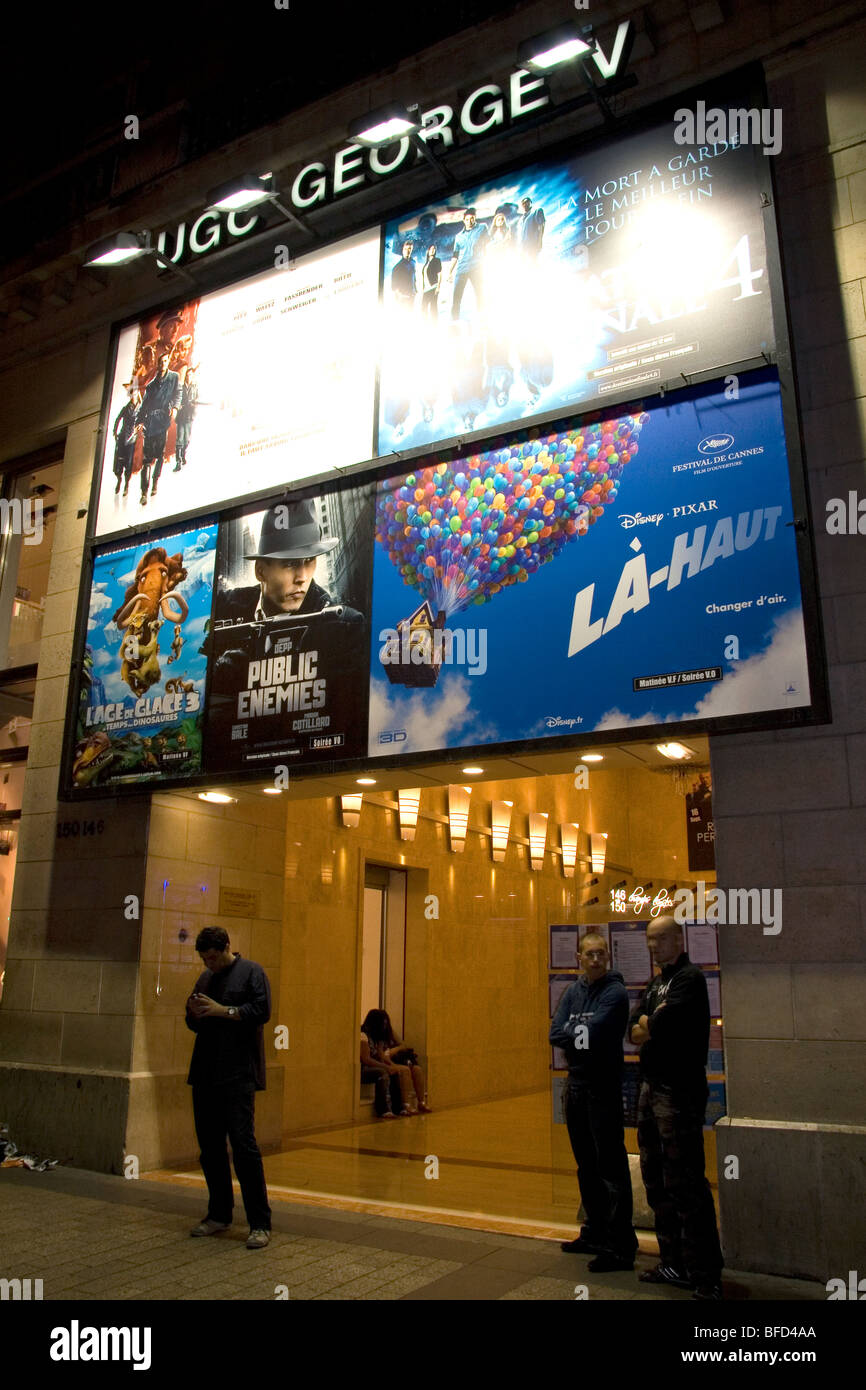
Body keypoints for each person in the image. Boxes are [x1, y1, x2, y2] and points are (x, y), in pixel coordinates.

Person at [628, 916, 724, 1299]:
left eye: (662, 939)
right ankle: (673, 1263)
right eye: (651, 940)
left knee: (685, 1180)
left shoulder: (689, 979)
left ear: (679, 939)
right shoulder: (654, 985)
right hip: (651, 1089)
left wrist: (650, 1024)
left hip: (679, 1091)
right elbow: (633, 1028)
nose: (655, 946)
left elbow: (658, 1025)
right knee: (655, 1177)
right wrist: (648, 1023)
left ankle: (704, 1274)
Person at [549, 932, 638, 1272]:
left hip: (602, 1087)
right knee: (585, 1163)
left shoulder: (615, 993)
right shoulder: (574, 991)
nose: (596, 959)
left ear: (608, 958)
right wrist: (577, 1032)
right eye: (590, 954)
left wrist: (575, 1030)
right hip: (576, 1086)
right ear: (579, 957)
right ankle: (595, 1232)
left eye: (601, 953)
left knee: (610, 1166)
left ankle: (620, 1245)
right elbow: (555, 1033)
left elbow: (596, 1033)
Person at [185, 926, 273, 1249]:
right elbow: (192, 1020)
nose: (209, 964)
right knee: (210, 1147)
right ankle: (219, 1213)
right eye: (204, 959)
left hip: (238, 1074)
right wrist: (194, 1012)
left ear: (226, 948)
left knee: (244, 1147)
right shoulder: (205, 979)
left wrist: (225, 1011)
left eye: (213, 958)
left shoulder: (252, 973)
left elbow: (261, 1011)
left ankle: (260, 1222)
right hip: (206, 1073)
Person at [216, 499, 361, 624]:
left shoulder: (336, 622)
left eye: (309, 560)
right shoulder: (225, 606)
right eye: (290, 564)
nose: (302, 578)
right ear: (260, 571)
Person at [361, 1008, 431, 1115]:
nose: (385, 1026)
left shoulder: (381, 1036)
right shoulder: (364, 1035)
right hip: (369, 1066)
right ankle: (405, 1105)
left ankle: (421, 1102)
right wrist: (388, 1066)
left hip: (384, 1061)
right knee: (402, 1071)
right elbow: (366, 1059)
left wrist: (391, 1064)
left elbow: (381, 1054)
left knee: (417, 1069)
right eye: (383, 1023)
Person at [138, 350, 181, 505]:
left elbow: (178, 394)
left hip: (163, 421)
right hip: (150, 423)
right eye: (161, 361)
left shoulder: (174, 377)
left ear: (168, 361)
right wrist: (139, 422)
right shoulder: (151, 386)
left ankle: (155, 482)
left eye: (165, 361)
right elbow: (144, 406)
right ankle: (144, 491)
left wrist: (175, 408)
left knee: (160, 456)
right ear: (157, 364)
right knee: (146, 460)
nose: (163, 364)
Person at [447, 207, 488, 320]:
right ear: (464, 220)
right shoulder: (458, 236)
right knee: (456, 299)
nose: (470, 221)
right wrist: (449, 272)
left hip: (477, 267)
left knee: (480, 295)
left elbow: (488, 243)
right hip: (462, 269)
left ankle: (483, 321)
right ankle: (454, 323)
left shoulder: (482, 228)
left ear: (475, 219)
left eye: (472, 218)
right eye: (468, 219)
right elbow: (455, 255)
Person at [111, 385, 141, 496]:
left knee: (129, 463)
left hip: (133, 438)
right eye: (132, 394)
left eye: (135, 394)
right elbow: (118, 419)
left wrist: (140, 427)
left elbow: (144, 421)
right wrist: (115, 431)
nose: (133, 396)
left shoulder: (140, 408)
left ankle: (126, 485)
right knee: (119, 461)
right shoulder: (126, 408)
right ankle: (119, 480)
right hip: (123, 436)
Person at [173, 364, 198, 471]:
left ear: (192, 376)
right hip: (181, 416)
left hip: (189, 416)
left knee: (186, 440)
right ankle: (178, 462)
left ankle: (183, 455)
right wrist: (179, 406)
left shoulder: (195, 387)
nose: (188, 377)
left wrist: (194, 406)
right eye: (187, 375)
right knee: (179, 439)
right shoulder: (181, 387)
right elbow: (176, 399)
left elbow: (197, 399)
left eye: (190, 375)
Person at [420, 244, 442, 319]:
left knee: (433, 307)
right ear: (428, 250)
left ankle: (434, 325)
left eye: (434, 249)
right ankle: (426, 323)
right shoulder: (426, 263)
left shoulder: (437, 260)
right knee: (423, 307)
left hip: (433, 287)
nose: (432, 250)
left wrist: (438, 287)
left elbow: (439, 274)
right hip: (426, 288)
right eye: (431, 249)